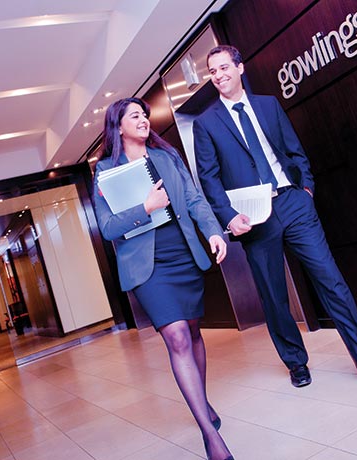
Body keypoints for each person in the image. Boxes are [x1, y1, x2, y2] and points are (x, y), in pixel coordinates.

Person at [193, 45, 357, 388]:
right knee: (274, 295)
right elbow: (209, 178)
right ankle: (296, 363)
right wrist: (229, 218)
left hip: (293, 201)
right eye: (213, 71)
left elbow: (294, 151)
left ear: (240, 68)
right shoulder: (205, 123)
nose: (219, 75)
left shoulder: (268, 105)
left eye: (224, 67)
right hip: (253, 217)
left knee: (330, 279)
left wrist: (307, 192)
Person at [93, 97, 233, 460]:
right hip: (148, 267)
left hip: (184, 253)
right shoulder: (106, 170)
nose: (143, 119)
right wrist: (145, 209)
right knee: (177, 336)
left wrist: (214, 231)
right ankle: (209, 435)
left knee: (193, 331)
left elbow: (194, 199)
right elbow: (108, 227)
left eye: (144, 114)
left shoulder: (167, 157)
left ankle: (201, 403)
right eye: (134, 116)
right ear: (118, 126)